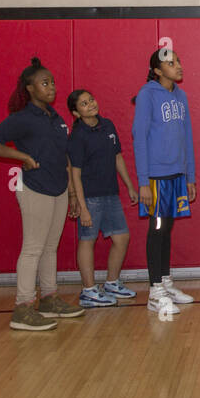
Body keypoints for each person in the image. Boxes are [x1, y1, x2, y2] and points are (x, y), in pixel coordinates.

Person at [0, 57, 84, 331]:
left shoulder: (56, 116)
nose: (51, 87)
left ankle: (49, 298)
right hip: (35, 188)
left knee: (50, 248)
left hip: (59, 188)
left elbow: (65, 155)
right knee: (33, 249)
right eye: (44, 83)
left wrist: (72, 192)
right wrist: (20, 156)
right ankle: (23, 308)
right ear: (30, 88)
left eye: (52, 82)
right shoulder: (22, 118)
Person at [132, 48, 198, 315]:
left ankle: (166, 282)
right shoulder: (148, 94)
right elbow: (139, 137)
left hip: (177, 175)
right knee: (157, 230)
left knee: (167, 228)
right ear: (158, 71)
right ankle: (154, 290)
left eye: (178, 61)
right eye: (170, 63)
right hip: (156, 177)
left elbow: (187, 138)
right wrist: (143, 181)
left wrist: (190, 176)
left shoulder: (180, 95)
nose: (178, 66)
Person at [67, 89, 139, 307]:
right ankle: (88, 291)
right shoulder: (77, 136)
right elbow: (75, 173)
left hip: (111, 193)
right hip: (90, 196)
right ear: (76, 112)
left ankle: (111, 283)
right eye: (83, 104)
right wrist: (82, 206)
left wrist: (129, 185)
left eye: (91, 99)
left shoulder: (108, 125)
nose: (90, 104)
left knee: (121, 238)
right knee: (87, 240)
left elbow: (117, 157)